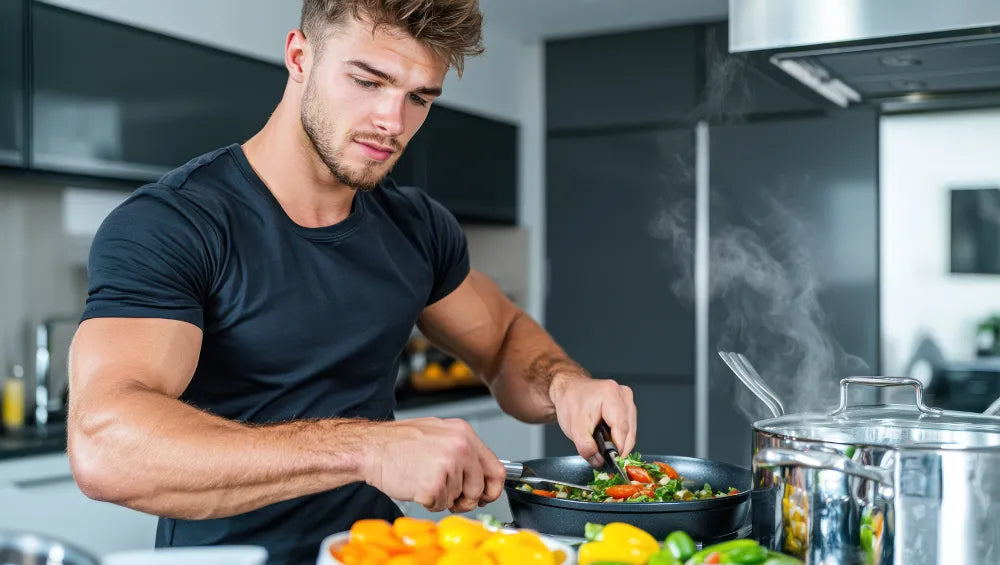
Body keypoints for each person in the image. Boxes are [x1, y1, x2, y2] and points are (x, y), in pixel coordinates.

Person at [67, 0, 637, 562]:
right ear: (299, 57)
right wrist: (365, 450)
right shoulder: (174, 223)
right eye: (368, 81)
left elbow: (504, 338)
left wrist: (566, 386)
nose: (393, 122)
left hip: (372, 552)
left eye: (419, 97)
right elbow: (104, 448)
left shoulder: (416, 225)